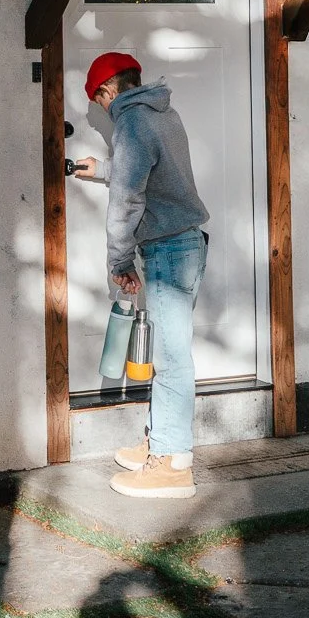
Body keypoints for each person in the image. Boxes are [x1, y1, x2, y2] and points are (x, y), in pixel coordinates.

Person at [73, 51, 209, 499]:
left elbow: (128, 200)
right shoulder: (164, 113)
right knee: (171, 351)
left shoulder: (131, 123)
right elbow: (150, 172)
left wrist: (119, 262)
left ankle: (172, 464)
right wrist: (104, 170)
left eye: (100, 101)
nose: (104, 110)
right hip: (187, 243)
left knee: (170, 359)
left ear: (108, 90)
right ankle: (160, 441)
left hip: (168, 249)